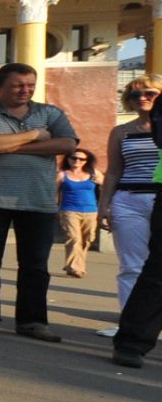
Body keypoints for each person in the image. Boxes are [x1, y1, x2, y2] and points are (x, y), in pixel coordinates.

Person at [0, 62, 78, 341]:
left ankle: (32, 321)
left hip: (38, 200)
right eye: (17, 85)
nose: (25, 90)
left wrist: (7, 144)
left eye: (30, 85)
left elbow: (67, 145)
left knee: (35, 265)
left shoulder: (50, 113)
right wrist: (34, 135)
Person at [98, 77, 160, 336]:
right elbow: (113, 172)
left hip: (160, 199)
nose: (142, 98)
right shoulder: (121, 132)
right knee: (132, 266)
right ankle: (130, 325)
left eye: (150, 93)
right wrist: (103, 206)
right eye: (135, 95)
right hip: (129, 200)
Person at [57, 149, 102, 279]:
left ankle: (73, 264)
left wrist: (100, 182)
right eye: (74, 158)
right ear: (68, 159)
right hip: (69, 210)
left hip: (91, 211)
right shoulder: (62, 175)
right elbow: (53, 192)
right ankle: (76, 268)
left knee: (88, 240)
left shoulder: (94, 173)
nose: (77, 161)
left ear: (86, 161)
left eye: (81, 159)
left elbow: (106, 187)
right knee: (74, 238)